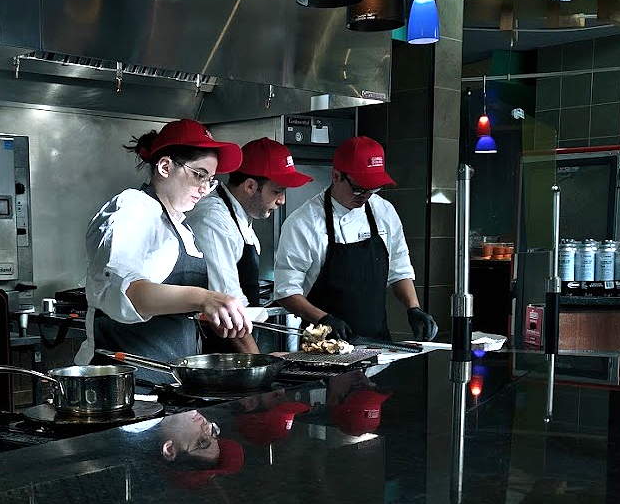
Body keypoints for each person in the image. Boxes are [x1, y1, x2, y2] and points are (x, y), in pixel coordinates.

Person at [82, 119, 252, 382]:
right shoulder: (134, 209)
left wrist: (208, 314)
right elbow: (128, 292)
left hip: (168, 383)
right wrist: (202, 298)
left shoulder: (181, 226)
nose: (205, 189)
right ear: (165, 166)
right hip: (124, 387)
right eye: (199, 175)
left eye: (211, 180)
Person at [274, 136, 438, 343]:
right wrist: (323, 319)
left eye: (373, 189)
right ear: (336, 176)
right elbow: (286, 291)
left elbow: (399, 267)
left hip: (377, 345)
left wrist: (413, 308)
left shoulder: (384, 211)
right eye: (360, 188)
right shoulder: (303, 223)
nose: (366, 196)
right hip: (322, 348)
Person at [187, 137, 312, 353]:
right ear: (250, 186)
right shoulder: (213, 220)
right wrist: (258, 362)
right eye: (277, 191)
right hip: (219, 352)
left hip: (238, 344)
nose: (281, 200)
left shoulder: (241, 218)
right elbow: (227, 308)